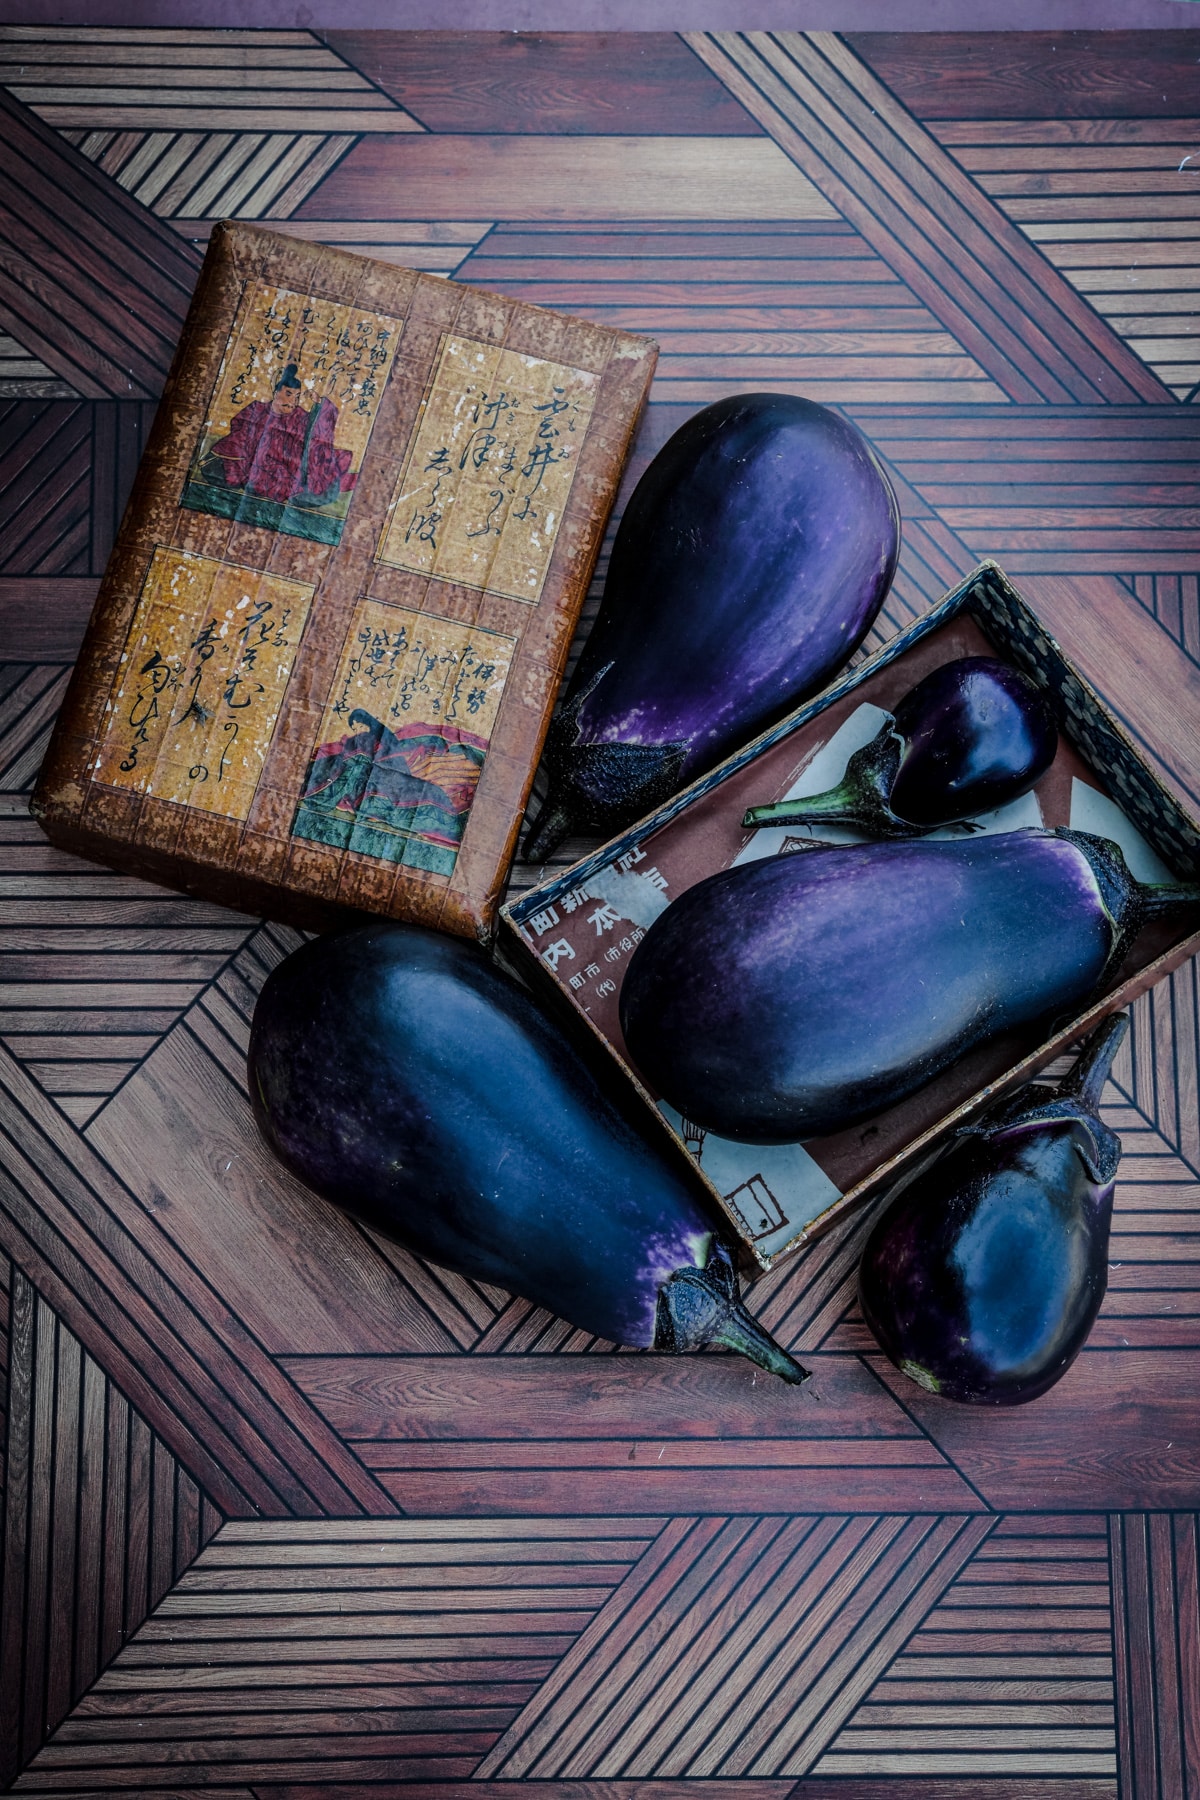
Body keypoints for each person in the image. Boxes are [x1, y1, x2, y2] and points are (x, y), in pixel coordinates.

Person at [201, 363, 357, 508]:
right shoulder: (257, 409)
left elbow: (318, 433)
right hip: (254, 458)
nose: (292, 402)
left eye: (296, 397)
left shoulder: (299, 415)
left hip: (287, 465)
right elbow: (238, 426)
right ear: (276, 392)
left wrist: (321, 405)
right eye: (288, 394)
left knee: (312, 483)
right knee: (222, 470)